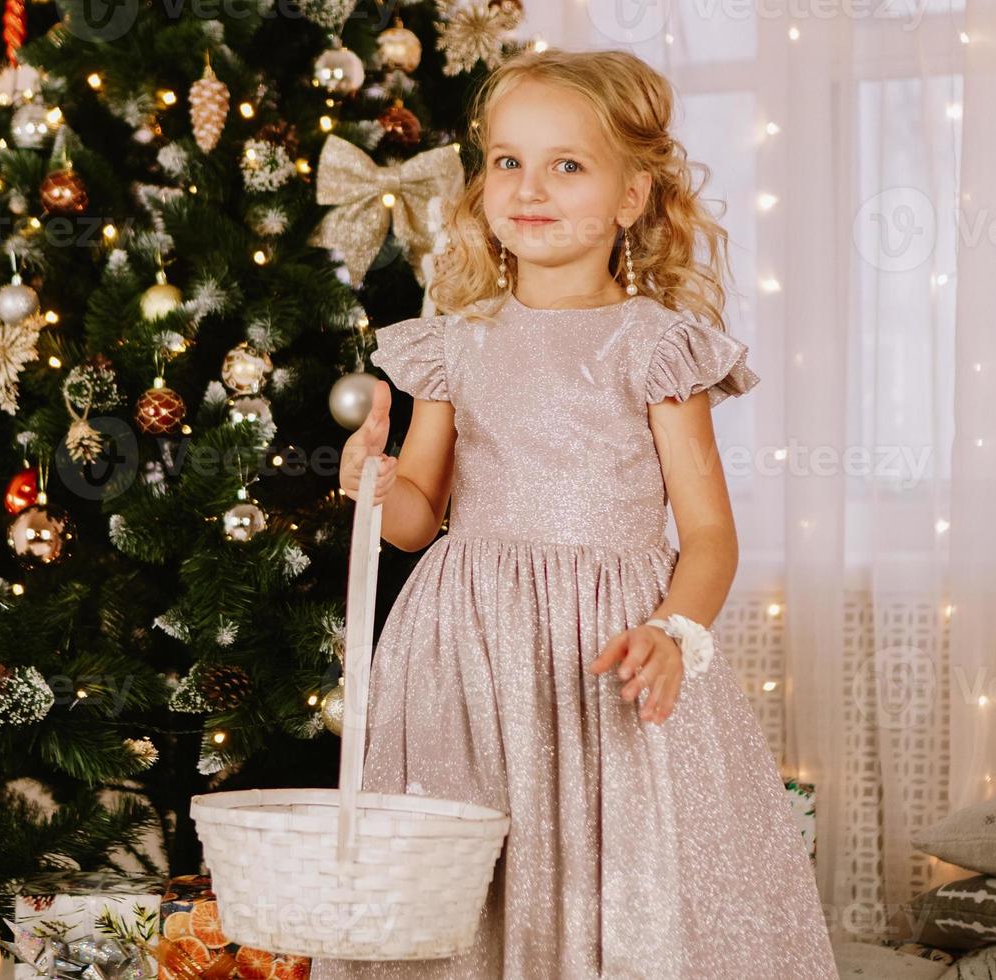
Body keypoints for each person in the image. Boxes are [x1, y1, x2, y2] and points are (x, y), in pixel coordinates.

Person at [314, 47, 838, 979]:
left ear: (633, 197)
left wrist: (675, 633)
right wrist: (376, 482)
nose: (529, 187)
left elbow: (710, 536)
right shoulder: (455, 345)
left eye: (568, 164)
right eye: (508, 161)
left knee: (614, 861)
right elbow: (417, 521)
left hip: (604, 649)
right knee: (469, 862)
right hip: (463, 653)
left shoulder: (656, 347)